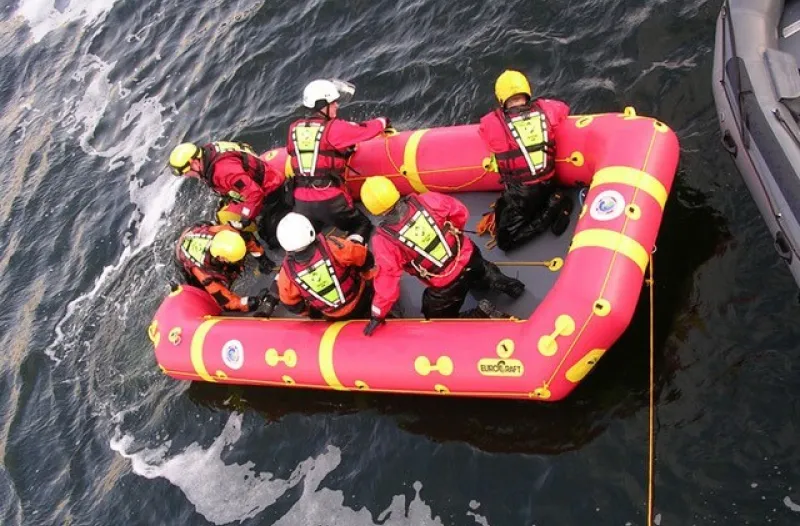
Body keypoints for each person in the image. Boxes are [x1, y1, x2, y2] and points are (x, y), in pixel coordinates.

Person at [359, 176, 526, 336]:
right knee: (482, 271)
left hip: (446, 283)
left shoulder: (384, 240)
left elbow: (387, 279)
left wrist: (377, 313)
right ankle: (510, 285)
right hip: (469, 254)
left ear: (372, 209)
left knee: (437, 319)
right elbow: (461, 212)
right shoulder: (427, 199)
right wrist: (454, 233)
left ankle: (481, 313)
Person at [477, 69, 574, 251]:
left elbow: (488, 140)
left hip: (524, 194)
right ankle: (556, 199)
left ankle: (551, 210)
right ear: (527, 92)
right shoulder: (548, 108)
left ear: (501, 99)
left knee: (505, 242)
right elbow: (564, 109)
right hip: (549, 182)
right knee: (501, 209)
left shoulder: (491, 123)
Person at [286, 79, 392, 244]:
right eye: (333, 102)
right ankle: (352, 249)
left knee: (309, 237)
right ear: (323, 105)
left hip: (301, 203)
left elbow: (310, 152)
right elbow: (366, 130)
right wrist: (383, 121)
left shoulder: (294, 128)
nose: (337, 106)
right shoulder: (333, 128)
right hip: (330, 201)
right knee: (361, 225)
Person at [168, 141, 289, 248]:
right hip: (256, 176)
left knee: (269, 238)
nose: (187, 176)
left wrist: (245, 219)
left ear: (194, 163)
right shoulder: (208, 152)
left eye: (187, 172)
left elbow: (255, 193)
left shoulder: (223, 171)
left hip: (271, 188)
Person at [274, 212, 375, 320]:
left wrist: (312, 313)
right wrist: (366, 274)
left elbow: (291, 304)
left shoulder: (287, 274)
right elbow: (363, 257)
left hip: (333, 315)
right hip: (361, 297)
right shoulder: (333, 247)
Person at [175, 223, 277, 314]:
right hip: (183, 255)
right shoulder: (205, 275)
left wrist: (263, 260)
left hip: (198, 230)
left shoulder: (230, 234)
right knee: (207, 295)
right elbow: (228, 303)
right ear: (222, 259)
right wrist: (254, 302)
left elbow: (250, 241)